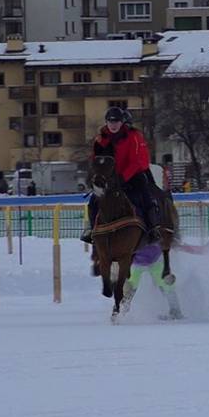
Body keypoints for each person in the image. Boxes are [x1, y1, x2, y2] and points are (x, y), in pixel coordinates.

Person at [81, 106, 160, 243]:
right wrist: (98, 177)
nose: (113, 125)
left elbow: (135, 161)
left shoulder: (133, 136)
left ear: (122, 122)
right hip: (109, 177)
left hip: (131, 175)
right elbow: (96, 159)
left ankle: (153, 229)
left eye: (116, 121)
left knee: (145, 196)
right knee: (94, 200)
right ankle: (92, 230)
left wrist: (122, 178)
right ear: (106, 122)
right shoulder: (100, 139)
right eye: (110, 121)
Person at [121, 243, 183, 320]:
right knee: (128, 288)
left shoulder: (157, 232)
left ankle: (175, 311)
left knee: (167, 285)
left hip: (156, 261)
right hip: (137, 263)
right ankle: (120, 312)